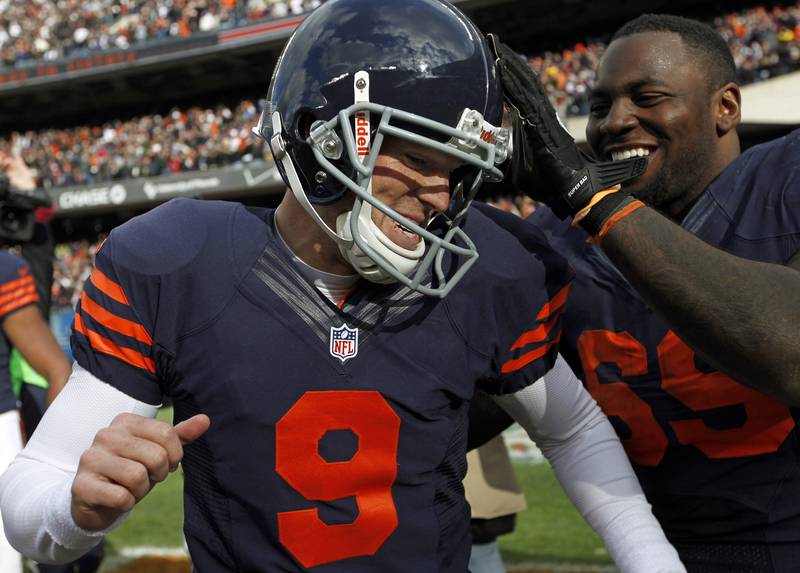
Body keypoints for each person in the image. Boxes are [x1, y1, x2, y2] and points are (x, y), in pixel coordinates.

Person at [0, 2, 684, 572]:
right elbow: (30, 502)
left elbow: (572, 430)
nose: (440, 196)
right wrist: (77, 508)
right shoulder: (177, 260)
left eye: (459, 170)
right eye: (418, 158)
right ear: (319, 138)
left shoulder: (489, 268)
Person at [489, 13, 800, 572]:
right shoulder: (555, 243)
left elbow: (793, 349)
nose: (614, 123)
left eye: (647, 97)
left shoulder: (785, 181)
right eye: (599, 106)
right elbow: (462, 408)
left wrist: (597, 207)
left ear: (725, 108)